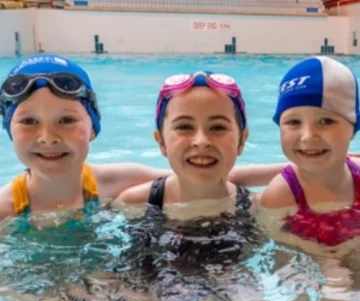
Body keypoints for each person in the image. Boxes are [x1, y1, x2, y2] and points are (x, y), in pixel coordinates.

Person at [0, 53, 286, 228]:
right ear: (9, 129)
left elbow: (195, 176)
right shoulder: (5, 207)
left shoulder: (112, 182)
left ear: (93, 128)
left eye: (66, 120)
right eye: (28, 121)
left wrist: (298, 171)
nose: (48, 137)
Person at [111, 71, 278, 301]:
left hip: (226, 283)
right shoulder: (137, 202)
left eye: (218, 127)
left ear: (242, 140)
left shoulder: (254, 208)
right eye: (185, 127)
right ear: (161, 142)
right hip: (145, 291)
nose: (201, 141)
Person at [259, 56, 360, 301]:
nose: (308, 136)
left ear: (353, 127)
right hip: (303, 264)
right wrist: (321, 257)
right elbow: (277, 244)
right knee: (324, 299)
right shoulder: (281, 194)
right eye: (293, 122)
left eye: (326, 121)